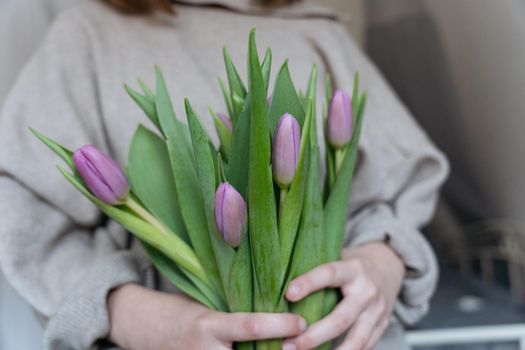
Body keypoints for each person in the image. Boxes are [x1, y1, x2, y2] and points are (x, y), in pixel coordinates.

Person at [0, 0, 448, 349]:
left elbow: (390, 204)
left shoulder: (319, 32)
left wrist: (381, 265)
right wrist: (141, 319)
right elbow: (26, 223)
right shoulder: (88, 37)